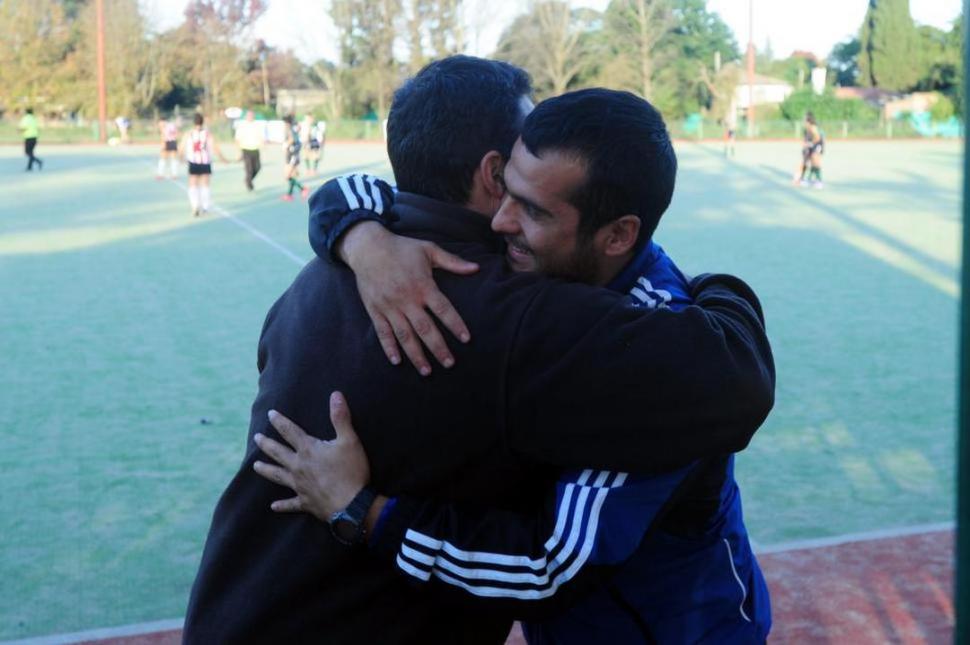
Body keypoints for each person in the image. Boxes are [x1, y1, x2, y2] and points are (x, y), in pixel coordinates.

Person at [184, 56, 774, 644]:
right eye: (512, 189)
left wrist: (364, 510)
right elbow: (736, 376)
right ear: (494, 173)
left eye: (536, 208)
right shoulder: (521, 312)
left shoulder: (318, 279)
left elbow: (551, 566)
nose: (503, 224)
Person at [180, 113, 228, 217]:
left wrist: (181, 158)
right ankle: (205, 207)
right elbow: (215, 148)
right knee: (205, 185)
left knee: (193, 184)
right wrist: (222, 158)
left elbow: (181, 147)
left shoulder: (189, 134)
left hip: (193, 162)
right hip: (205, 162)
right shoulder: (208, 134)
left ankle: (195, 206)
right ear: (202, 122)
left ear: (193, 122)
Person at [281, 114, 309, 201]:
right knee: (292, 175)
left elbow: (292, 139)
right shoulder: (294, 128)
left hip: (292, 155)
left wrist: (285, 145)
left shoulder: (290, 129)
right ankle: (289, 194)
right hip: (292, 154)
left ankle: (302, 188)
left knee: (287, 175)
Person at [235, 110, 264, 191]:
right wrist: (239, 151)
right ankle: (249, 184)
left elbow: (260, 136)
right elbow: (237, 139)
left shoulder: (257, 125)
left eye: (252, 115)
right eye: (249, 115)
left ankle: (248, 180)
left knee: (258, 167)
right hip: (246, 149)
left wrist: (263, 144)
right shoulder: (242, 126)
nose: (250, 117)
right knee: (249, 169)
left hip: (255, 149)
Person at [794, 111, 824, 188]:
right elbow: (805, 139)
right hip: (811, 145)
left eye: (805, 120)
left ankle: (819, 180)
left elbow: (817, 138)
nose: (804, 122)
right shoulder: (806, 129)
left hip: (817, 145)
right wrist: (805, 145)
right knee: (806, 160)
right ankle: (806, 178)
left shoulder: (813, 127)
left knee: (815, 161)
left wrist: (810, 144)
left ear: (809, 121)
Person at [19, 108, 43, 172]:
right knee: (31, 152)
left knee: (27, 152)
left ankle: (38, 161)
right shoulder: (34, 118)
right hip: (35, 137)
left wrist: (19, 130)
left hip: (28, 137)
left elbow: (23, 127)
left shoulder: (26, 118)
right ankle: (29, 167)